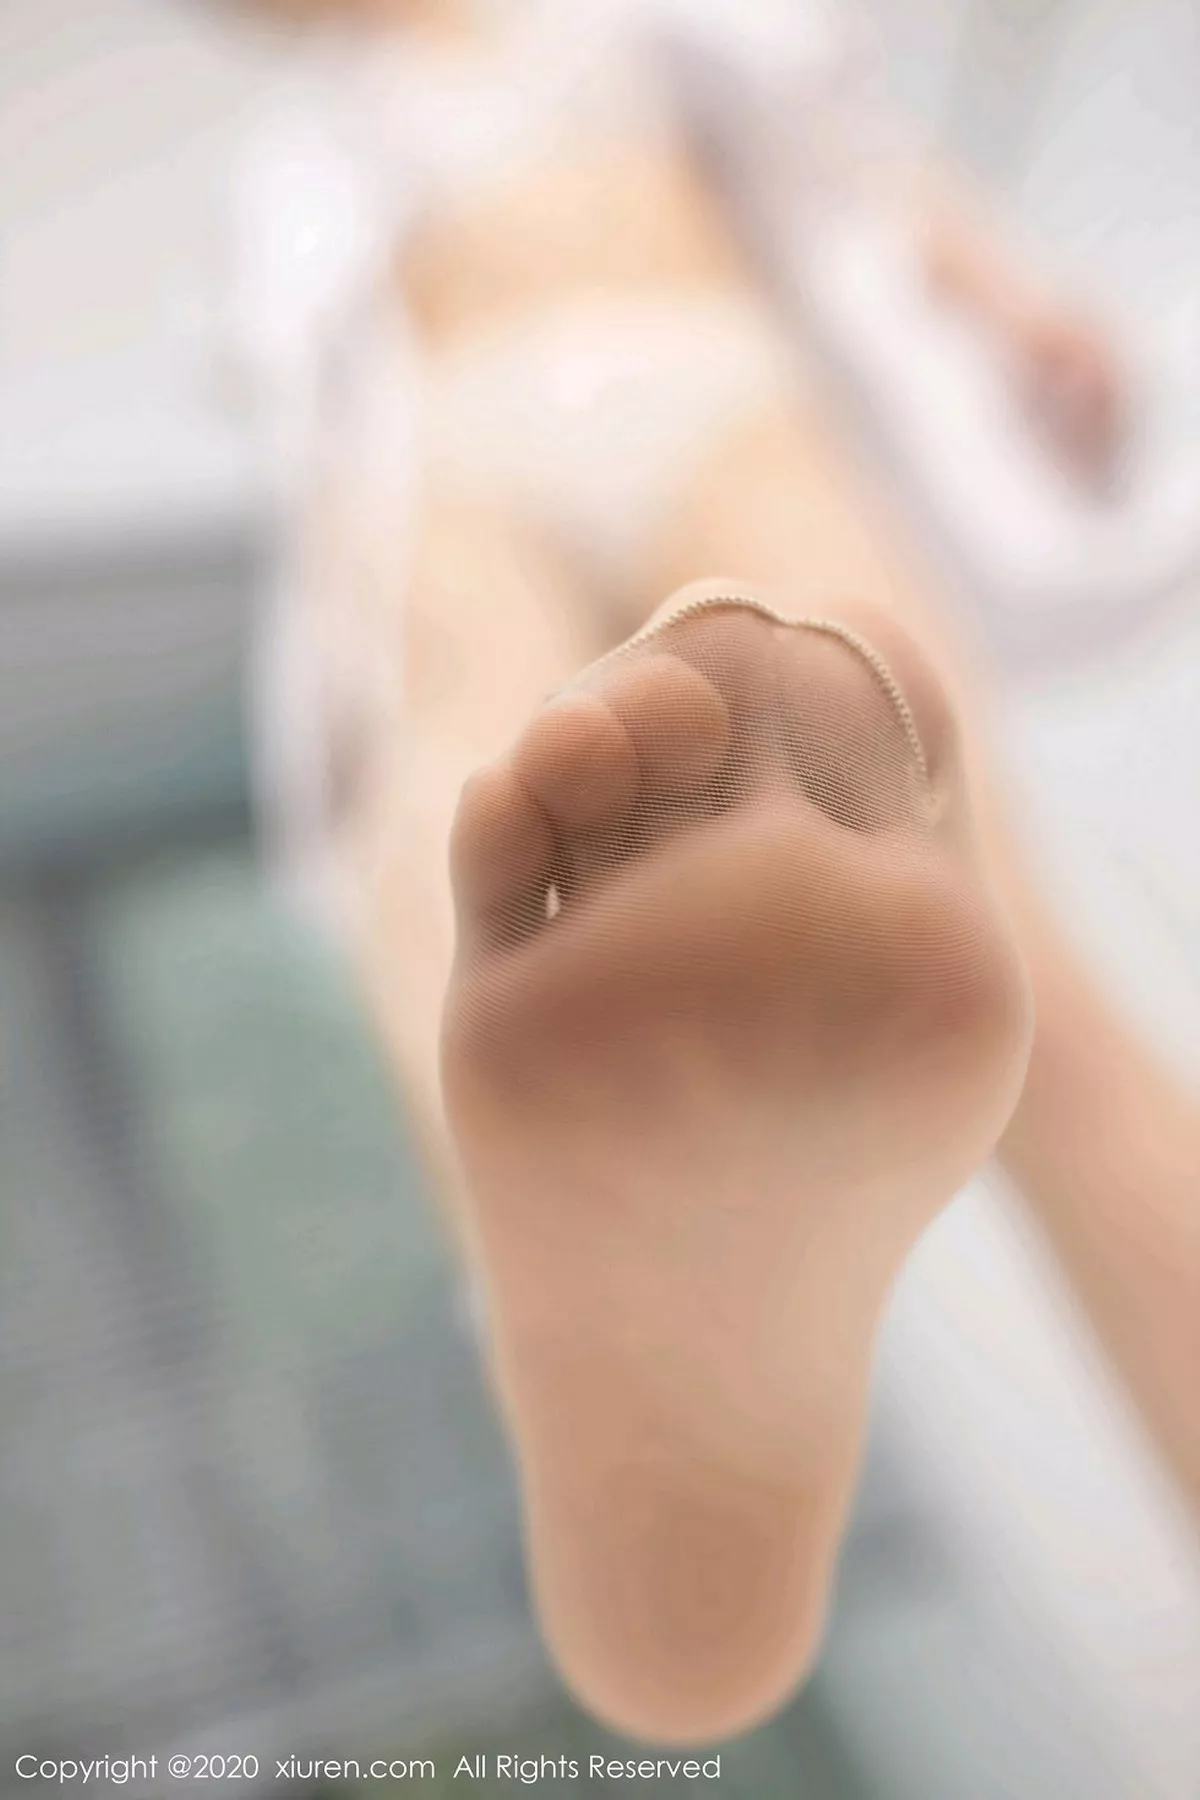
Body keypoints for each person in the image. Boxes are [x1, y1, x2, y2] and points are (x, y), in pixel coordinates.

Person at [213, 0, 1198, 1745]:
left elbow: (860, 165)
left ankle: (624, 1339)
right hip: (455, 473)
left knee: (968, 915)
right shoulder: (297, 154)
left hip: (708, 383)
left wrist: (1012, 301)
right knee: (453, 828)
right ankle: (609, 1347)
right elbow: (312, 433)